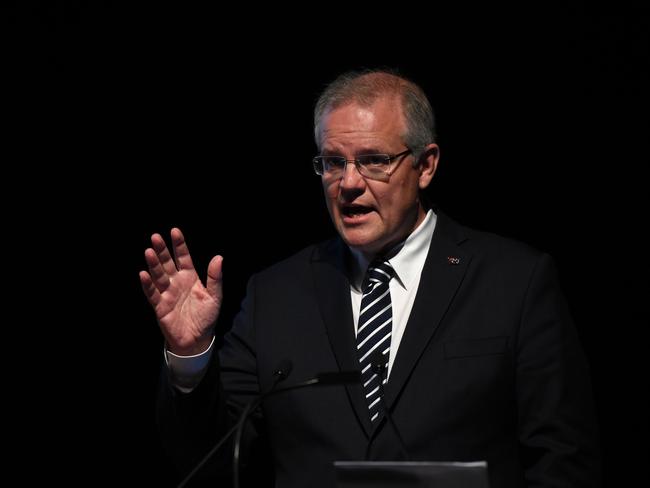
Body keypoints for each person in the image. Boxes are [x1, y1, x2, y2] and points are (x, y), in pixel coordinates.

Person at [141, 69, 600, 487]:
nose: (349, 184)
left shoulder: (513, 281)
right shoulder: (276, 295)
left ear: (426, 166)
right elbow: (212, 463)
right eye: (333, 162)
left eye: (374, 160)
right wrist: (190, 356)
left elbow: (564, 461)